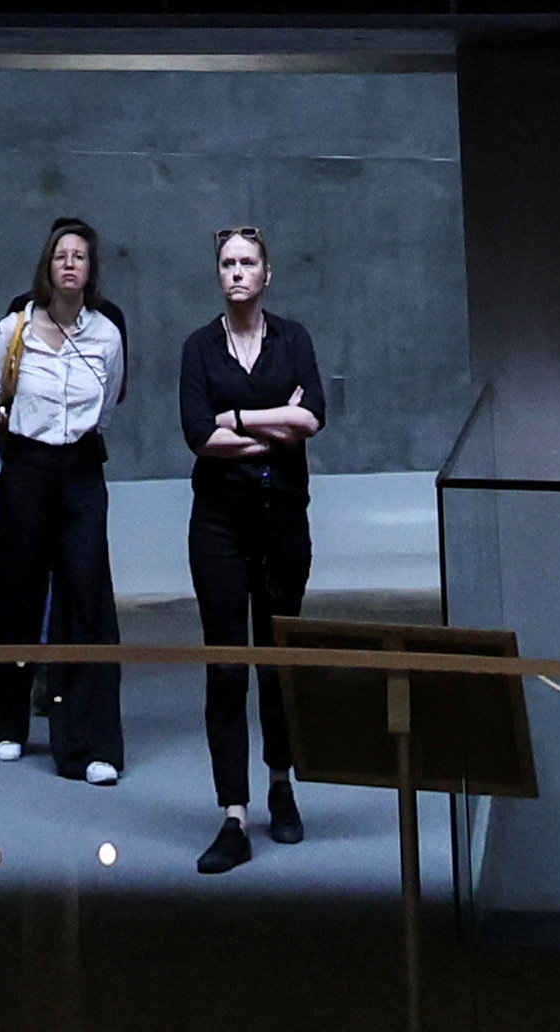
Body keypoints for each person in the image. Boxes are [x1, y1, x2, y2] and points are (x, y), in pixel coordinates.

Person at [176, 224, 322, 874]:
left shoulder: (295, 340)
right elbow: (198, 437)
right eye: (228, 263)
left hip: (284, 521)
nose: (237, 273)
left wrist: (236, 418)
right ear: (220, 275)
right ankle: (232, 814)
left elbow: (313, 416)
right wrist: (270, 422)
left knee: (278, 659)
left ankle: (282, 786)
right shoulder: (199, 348)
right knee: (227, 665)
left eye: (248, 263)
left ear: (267, 275)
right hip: (219, 527)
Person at [0, 218, 128, 781]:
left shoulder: (107, 334)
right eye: (61, 254)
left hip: (81, 472)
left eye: (80, 256)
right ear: (47, 265)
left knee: (87, 597)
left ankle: (91, 743)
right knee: (15, 591)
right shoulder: (15, 328)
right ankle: (5, 723)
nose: (69, 263)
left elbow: (108, 403)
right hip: (26, 470)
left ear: (90, 271)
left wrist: (80, 441)